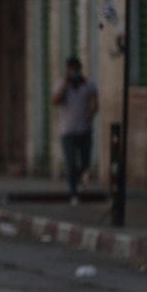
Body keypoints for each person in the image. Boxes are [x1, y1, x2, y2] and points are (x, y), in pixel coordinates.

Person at [51, 56, 98, 204]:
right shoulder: (61, 84)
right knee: (71, 163)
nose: (74, 73)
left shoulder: (88, 84)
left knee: (85, 163)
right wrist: (65, 85)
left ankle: (76, 181)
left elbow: (95, 102)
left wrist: (91, 112)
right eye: (71, 70)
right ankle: (74, 193)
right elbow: (55, 101)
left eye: (76, 70)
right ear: (68, 70)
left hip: (85, 130)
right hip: (68, 131)